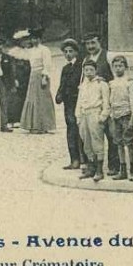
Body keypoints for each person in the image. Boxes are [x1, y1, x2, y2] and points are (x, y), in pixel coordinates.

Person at [82, 31, 119, 175]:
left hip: (107, 102)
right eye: (88, 43)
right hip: (92, 102)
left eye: (93, 43)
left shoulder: (108, 57)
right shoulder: (86, 59)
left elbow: (116, 78)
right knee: (91, 136)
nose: (90, 46)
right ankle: (92, 166)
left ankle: (113, 165)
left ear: (100, 42)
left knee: (111, 135)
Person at [9, 28, 56, 134]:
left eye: (36, 38)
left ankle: (44, 125)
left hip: (41, 75)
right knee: (32, 99)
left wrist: (45, 77)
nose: (34, 41)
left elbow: (47, 64)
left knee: (42, 100)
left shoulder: (45, 50)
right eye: (33, 39)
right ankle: (33, 124)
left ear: (40, 39)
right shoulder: (31, 50)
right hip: (33, 76)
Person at [75, 59, 110, 182]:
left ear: (96, 70)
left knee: (97, 141)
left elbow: (106, 102)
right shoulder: (83, 85)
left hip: (95, 113)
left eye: (91, 70)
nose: (88, 72)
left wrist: (103, 116)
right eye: (86, 70)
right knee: (86, 142)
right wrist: (78, 116)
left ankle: (100, 170)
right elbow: (79, 101)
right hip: (84, 114)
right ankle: (91, 168)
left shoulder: (101, 84)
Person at [107, 55, 133, 181]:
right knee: (119, 144)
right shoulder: (112, 83)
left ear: (125, 67)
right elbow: (110, 100)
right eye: (115, 66)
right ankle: (123, 170)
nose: (118, 68)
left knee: (129, 144)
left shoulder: (130, 83)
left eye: (120, 66)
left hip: (127, 116)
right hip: (115, 116)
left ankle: (132, 170)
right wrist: (110, 115)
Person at [54, 38, 84, 171]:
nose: (68, 54)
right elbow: (62, 84)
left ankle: (84, 159)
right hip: (68, 104)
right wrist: (59, 94)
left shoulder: (81, 66)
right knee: (71, 130)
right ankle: (74, 159)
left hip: (79, 102)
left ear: (76, 52)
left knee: (81, 131)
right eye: (65, 52)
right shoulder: (65, 68)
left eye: (71, 51)